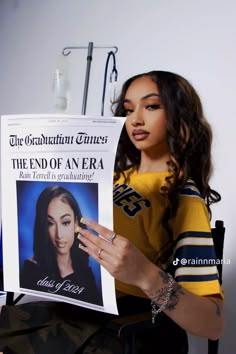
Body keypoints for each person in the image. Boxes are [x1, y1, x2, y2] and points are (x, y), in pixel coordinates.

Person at [76, 71, 224, 352]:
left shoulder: (183, 196)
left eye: (152, 106)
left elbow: (212, 323)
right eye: (129, 110)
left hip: (129, 330)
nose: (136, 119)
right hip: (80, 310)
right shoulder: (111, 178)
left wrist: (144, 274)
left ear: (179, 115)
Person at [20, 185, 103, 306]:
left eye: (65, 222)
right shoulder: (31, 270)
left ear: (75, 223)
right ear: (43, 226)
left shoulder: (86, 274)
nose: (59, 235)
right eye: (50, 223)